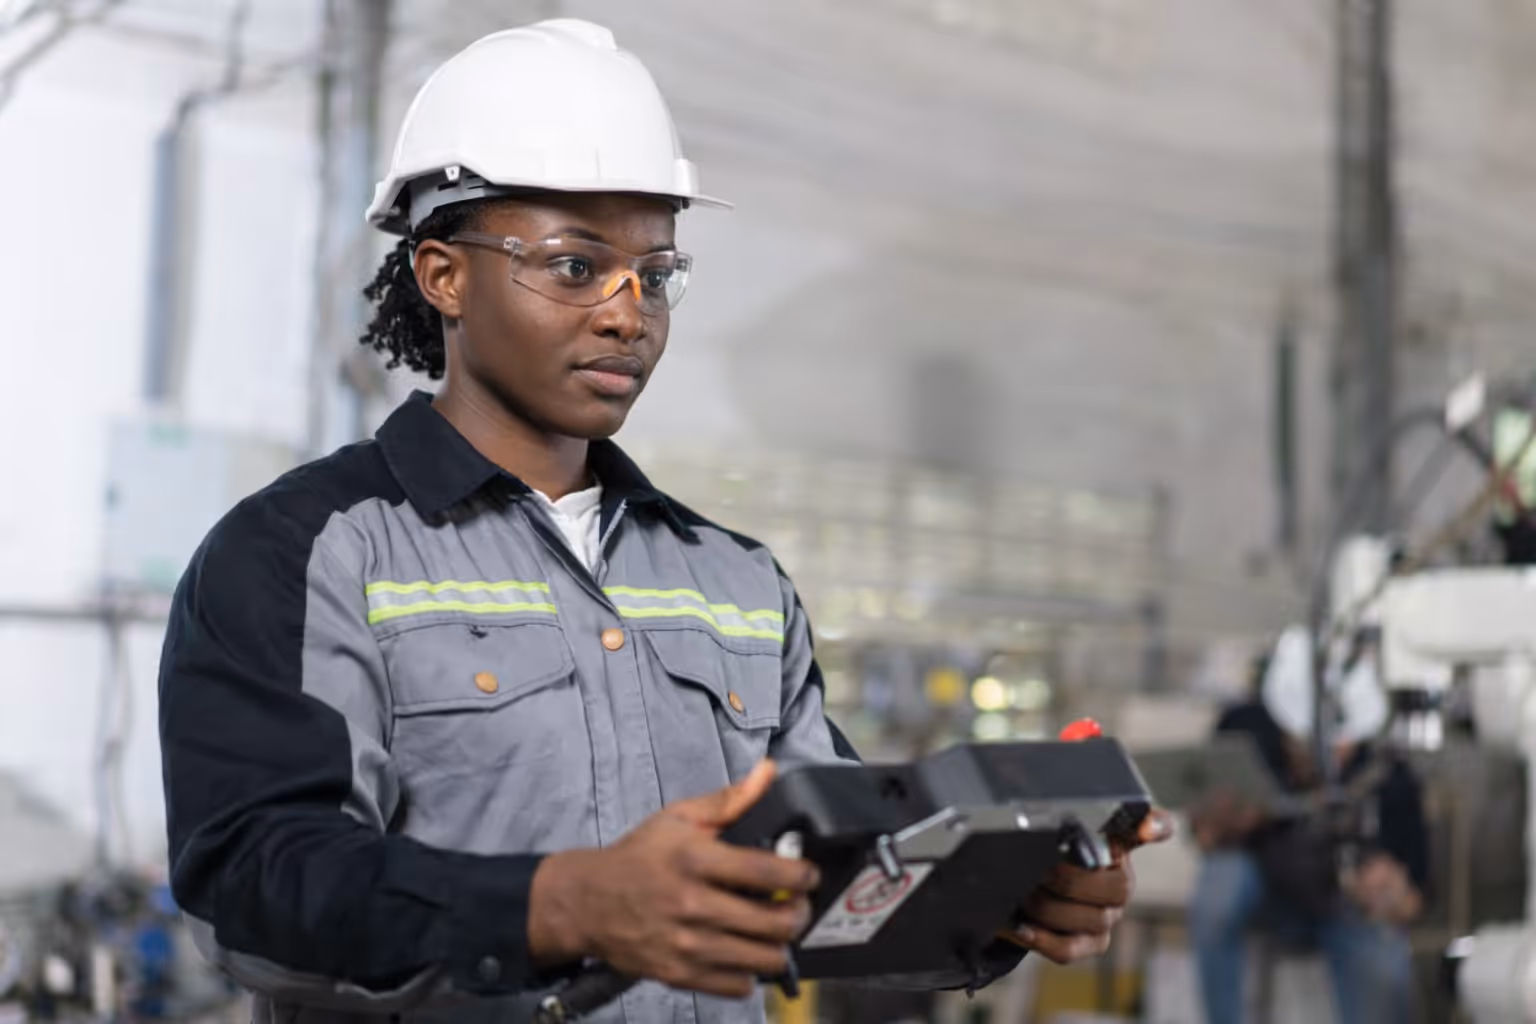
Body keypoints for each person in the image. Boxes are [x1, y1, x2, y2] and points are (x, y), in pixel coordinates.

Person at [156, 19, 1170, 1024]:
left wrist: (1002, 901)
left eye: (657, 273)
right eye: (573, 265)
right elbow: (258, 889)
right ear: (443, 273)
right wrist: (564, 903)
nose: (626, 312)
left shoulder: (734, 584)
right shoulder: (306, 555)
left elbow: (835, 884)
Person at [1187, 628, 1429, 1024]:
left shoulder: (1390, 777)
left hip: (1344, 906)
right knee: (1220, 884)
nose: (1329, 756)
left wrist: (1392, 894)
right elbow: (1202, 829)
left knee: (1383, 953)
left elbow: (1415, 895)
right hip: (1264, 894)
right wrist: (1218, 826)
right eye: (1309, 744)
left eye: (1339, 746)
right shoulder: (1243, 732)